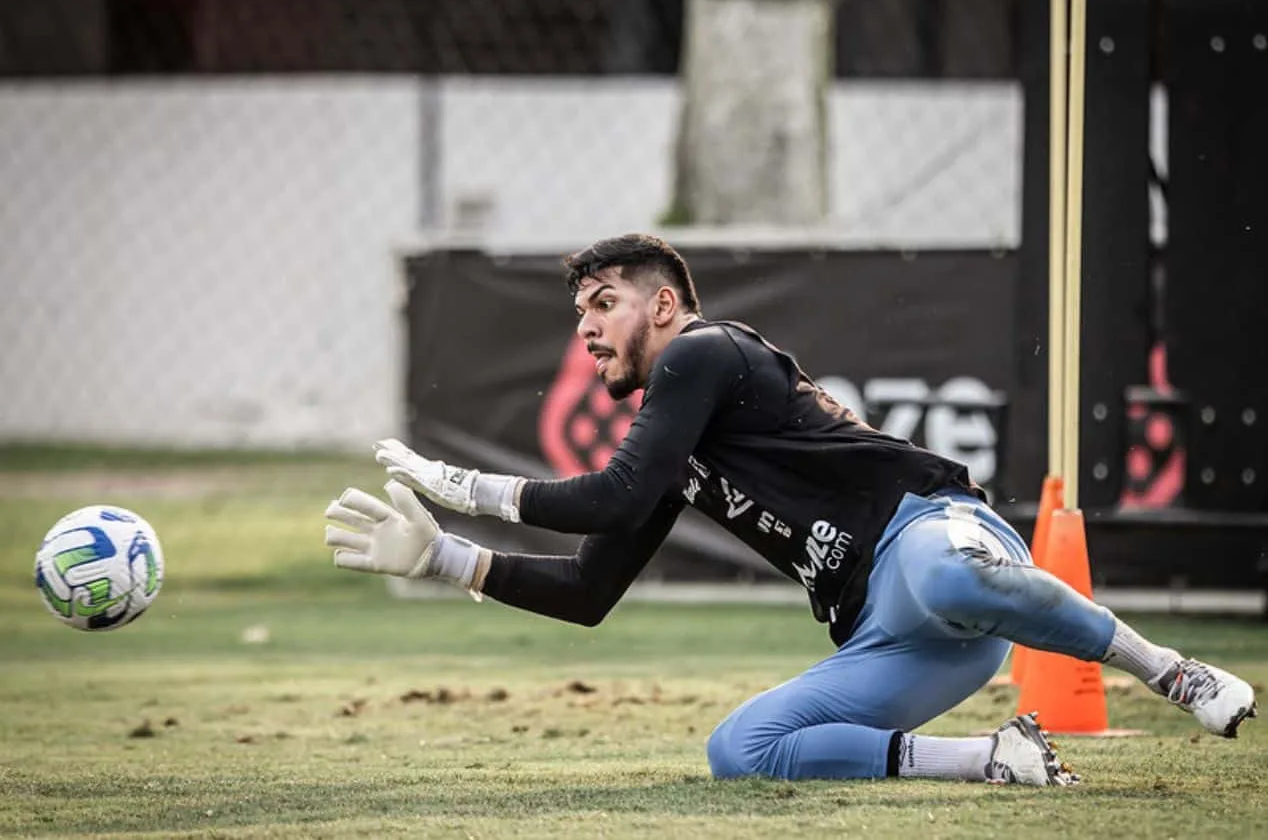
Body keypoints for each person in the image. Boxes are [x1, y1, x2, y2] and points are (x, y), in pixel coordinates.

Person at [323, 233, 1257, 786]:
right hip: (893, 634)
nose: (587, 329)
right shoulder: (676, 440)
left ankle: (1170, 671)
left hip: (930, 534)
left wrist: (459, 486)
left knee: (941, 571)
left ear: (665, 306)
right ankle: (994, 759)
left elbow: (611, 494)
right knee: (742, 750)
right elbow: (588, 590)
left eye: (604, 304)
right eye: (579, 314)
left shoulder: (703, 350)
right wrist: (443, 558)